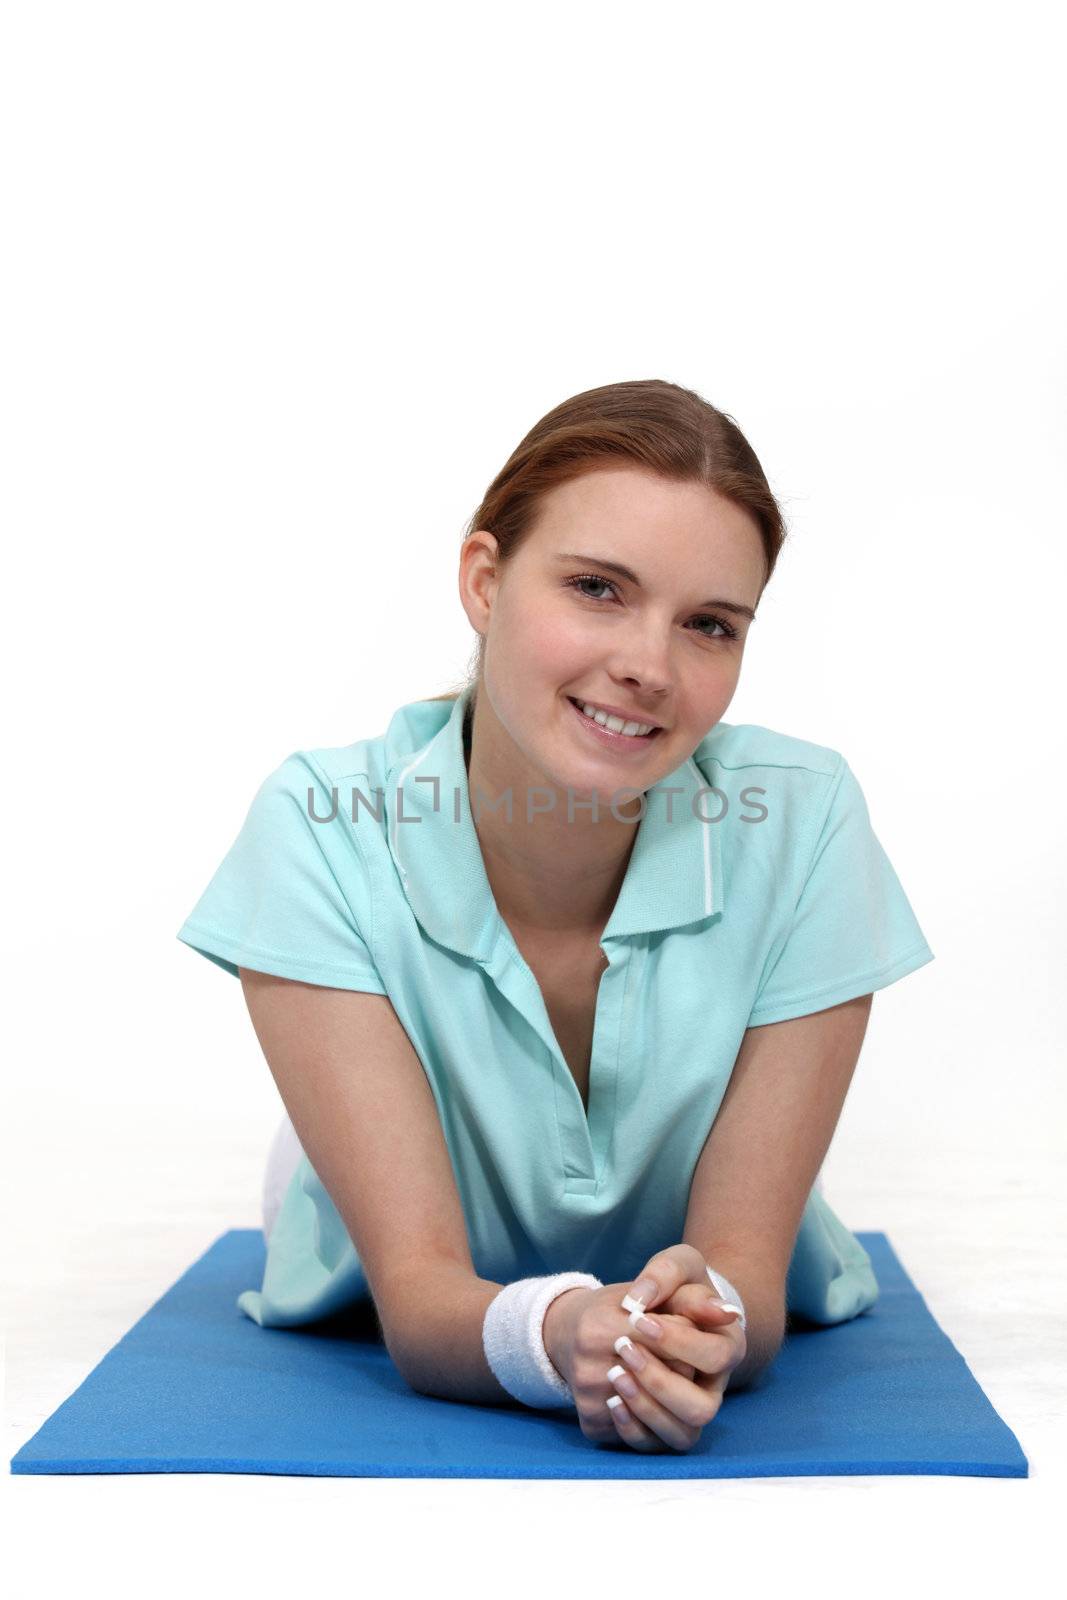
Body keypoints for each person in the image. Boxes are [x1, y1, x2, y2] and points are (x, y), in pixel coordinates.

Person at [176, 378, 934, 1453]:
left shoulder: (802, 821)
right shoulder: (317, 824)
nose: (647, 666)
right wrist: (562, 1329)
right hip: (402, 1203)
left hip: (666, 1208)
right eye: (594, 587)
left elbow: (745, 1284)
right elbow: (422, 1301)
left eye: (708, 623)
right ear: (483, 582)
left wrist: (700, 1324)